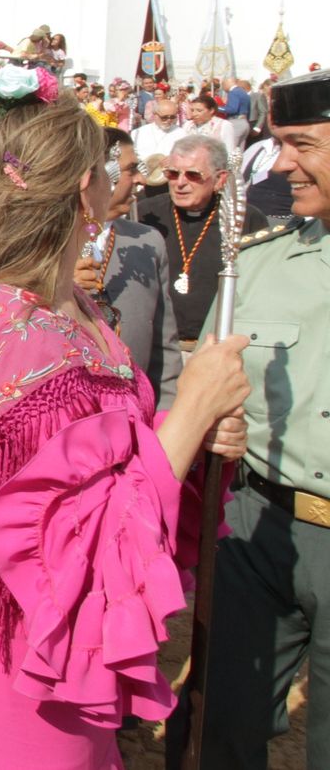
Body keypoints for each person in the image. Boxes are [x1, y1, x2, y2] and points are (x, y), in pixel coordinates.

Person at [0, 81, 251, 770]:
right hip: (23, 635)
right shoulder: (17, 324)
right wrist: (191, 412)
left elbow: (119, 457)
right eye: (114, 169)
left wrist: (201, 437)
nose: (128, 182)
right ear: (88, 186)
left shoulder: (69, 307)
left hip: (65, 628)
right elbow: (78, 532)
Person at [165, 68, 330, 768]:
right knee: (212, 729)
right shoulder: (259, 264)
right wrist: (212, 425)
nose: (281, 162)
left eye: (301, 144)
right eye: (278, 143)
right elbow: (202, 387)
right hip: (256, 530)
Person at [75, 128, 182, 409]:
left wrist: (165, 415)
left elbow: (164, 345)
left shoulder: (147, 241)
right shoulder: (46, 244)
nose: (142, 180)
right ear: (98, 174)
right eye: (130, 169)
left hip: (136, 415)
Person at [137, 135, 266, 352]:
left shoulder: (244, 220)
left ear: (220, 179)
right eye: (173, 173)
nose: (180, 183)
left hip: (214, 348)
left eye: (193, 175)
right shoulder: (146, 214)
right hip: (159, 347)